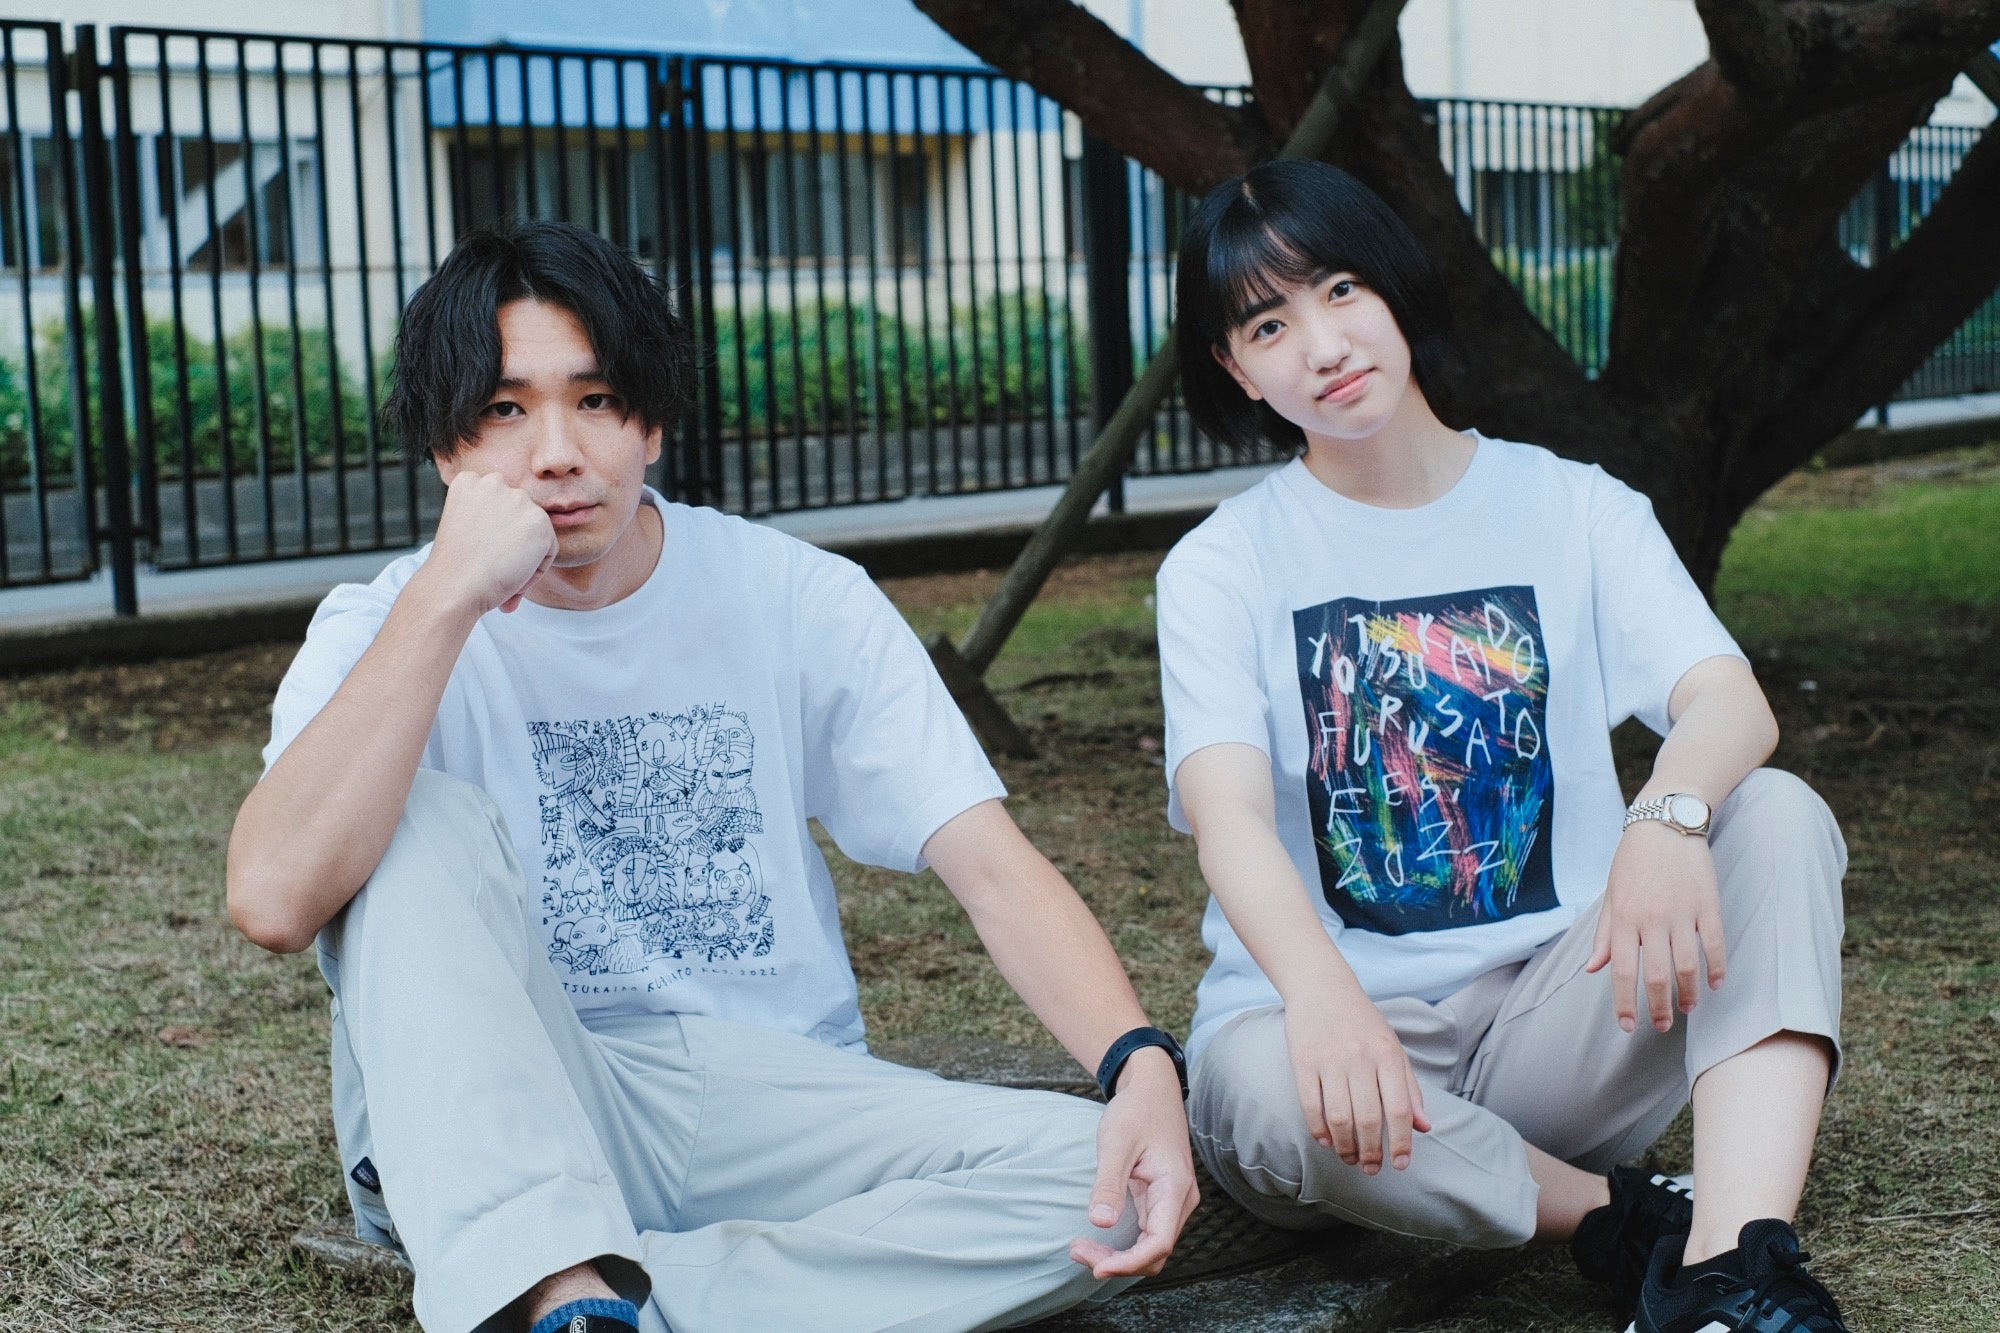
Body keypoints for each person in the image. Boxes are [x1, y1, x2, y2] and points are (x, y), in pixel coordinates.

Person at [226, 219, 1197, 1333]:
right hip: (505, 1096)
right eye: (504, 409)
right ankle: (557, 1273)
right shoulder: (378, 628)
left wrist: (1138, 1064)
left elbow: (988, 864)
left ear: (649, 422)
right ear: (446, 448)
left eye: (596, 399)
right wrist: (446, 598)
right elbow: (273, 897)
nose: (556, 452)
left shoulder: (795, 595)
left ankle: (620, 1301)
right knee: (412, 815)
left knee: (1103, 1188)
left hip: (766, 1094)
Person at [1154, 161, 1849, 1333]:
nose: (1321, 346)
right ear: (1235, 368)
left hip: (1556, 1017)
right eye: (1268, 325)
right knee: (1261, 1093)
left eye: (1339, 290)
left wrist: (1664, 817)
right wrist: (1318, 994)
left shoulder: (1573, 506)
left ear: (1393, 286)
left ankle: (1732, 1269)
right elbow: (1224, 815)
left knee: (1775, 811)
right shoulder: (1221, 564)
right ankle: (1620, 1221)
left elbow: (1726, 699)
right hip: (1333, 1053)